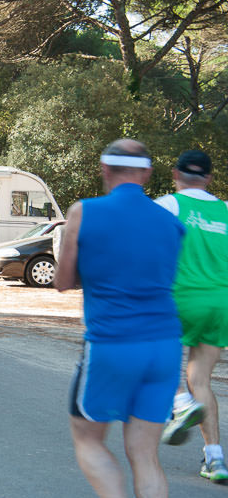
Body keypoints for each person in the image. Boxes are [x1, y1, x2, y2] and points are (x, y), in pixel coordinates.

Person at [55, 139, 185, 498]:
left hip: (112, 343)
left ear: (104, 169)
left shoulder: (84, 211)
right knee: (145, 455)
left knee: (88, 439)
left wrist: (91, 274)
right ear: (146, 173)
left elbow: (63, 282)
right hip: (165, 347)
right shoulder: (170, 222)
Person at [156, 150, 228, 483]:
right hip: (220, 302)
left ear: (175, 174)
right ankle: (215, 459)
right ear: (209, 179)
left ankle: (180, 402)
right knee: (201, 378)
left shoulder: (168, 205)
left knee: (153, 356)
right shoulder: (225, 210)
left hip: (180, 298)